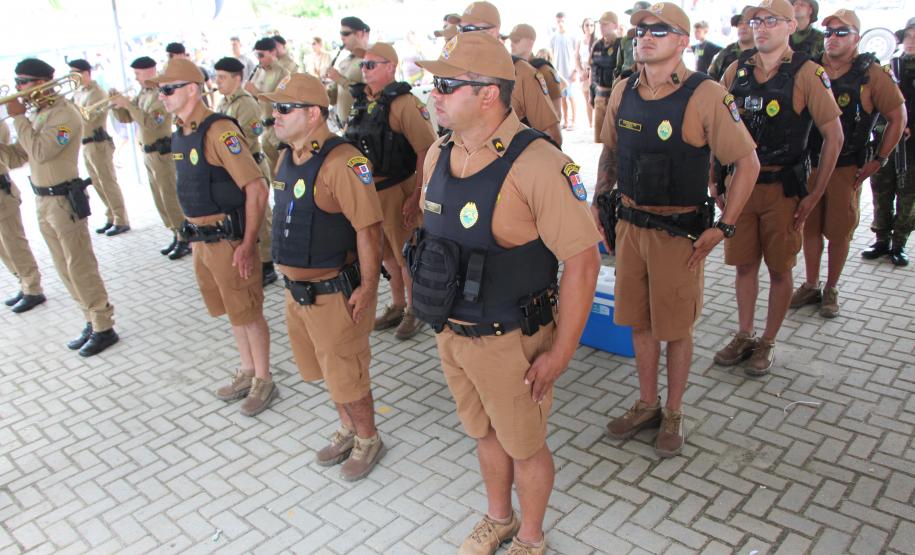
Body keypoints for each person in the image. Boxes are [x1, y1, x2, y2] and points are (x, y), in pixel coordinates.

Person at [414, 30, 601, 555]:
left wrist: (561, 352)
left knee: (525, 446)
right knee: (484, 433)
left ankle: (531, 538)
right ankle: (498, 518)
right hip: (452, 332)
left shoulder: (539, 164)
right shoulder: (438, 155)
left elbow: (583, 262)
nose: (435, 95)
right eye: (435, 84)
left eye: (447, 85)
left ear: (489, 94)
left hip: (511, 342)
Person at [594, 2, 758, 457]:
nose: (645, 36)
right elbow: (610, 151)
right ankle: (646, 404)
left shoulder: (705, 94)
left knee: (676, 327)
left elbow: (747, 163)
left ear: (683, 41)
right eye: (641, 29)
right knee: (640, 323)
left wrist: (725, 227)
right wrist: (597, 200)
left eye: (659, 30)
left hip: (679, 234)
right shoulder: (624, 89)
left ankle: (675, 410)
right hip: (629, 227)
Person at [262, 73, 387, 480]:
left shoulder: (343, 162)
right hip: (297, 294)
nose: (274, 116)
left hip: (335, 293)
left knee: (348, 371)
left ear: (313, 113)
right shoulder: (287, 157)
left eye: (283, 108)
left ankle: (368, 438)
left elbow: (369, 230)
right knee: (326, 370)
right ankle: (348, 428)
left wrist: (369, 289)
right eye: (274, 108)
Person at [715, 0, 843, 375]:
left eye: (771, 20)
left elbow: (833, 137)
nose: (761, 27)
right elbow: (716, 127)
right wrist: (714, 178)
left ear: (791, 26)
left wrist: (815, 193)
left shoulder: (808, 73)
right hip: (740, 185)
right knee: (743, 266)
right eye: (755, 20)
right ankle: (745, 333)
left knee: (780, 270)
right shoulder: (735, 71)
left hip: (783, 190)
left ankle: (767, 341)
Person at [151, 58, 276, 416]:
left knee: (248, 311)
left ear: (192, 89)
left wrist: (250, 244)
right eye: (160, 90)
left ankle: (264, 379)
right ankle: (248, 370)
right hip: (203, 242)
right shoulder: (180, 131)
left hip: (229, 240)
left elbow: (256, 188)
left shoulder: (219, 131)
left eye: (168, 89)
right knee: (232, 312)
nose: (162, 96)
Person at [791, 9, 906, 317]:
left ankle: (831, 289)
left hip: (846, 169)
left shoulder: (871, 74)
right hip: (810, 165)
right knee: (809, 227)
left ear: (856, 37)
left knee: (839, 232)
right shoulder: (810, 68)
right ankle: (811, 284)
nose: (833, 38)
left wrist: (880, 159)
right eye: (828, 33)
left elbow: (898, 116)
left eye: (841, 32)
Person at [0, 58, 118, 355]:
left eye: (22, 82)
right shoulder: (41, 113)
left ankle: (104, 324)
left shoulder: (64, 113)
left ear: (40, 83)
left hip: (63, 201)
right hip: (43, 199)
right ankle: (90, 319)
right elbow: (20, 156)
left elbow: (41, 151)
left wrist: (17, 119)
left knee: (80, 265)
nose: (17, 90)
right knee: (63, 267)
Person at [343, 43, 437, 340]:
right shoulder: (360, 100)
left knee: (407, 254)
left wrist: (417, 196)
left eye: (372, 65)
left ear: (390, 67)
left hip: (398, 190)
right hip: (370, 193)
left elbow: (426, 150)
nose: (365, 70)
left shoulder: (405, 103)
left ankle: (415, 309)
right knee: (385, 254)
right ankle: (397, 304)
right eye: (363, 65)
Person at [112, 56, 190, 259]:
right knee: (159, 198)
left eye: (138, 73)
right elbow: (128, 118)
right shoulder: (144, 93)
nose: (136, 78)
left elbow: (151, 122)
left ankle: (185, 237)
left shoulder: (161, 93)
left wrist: (128, 105)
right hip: (148, 152)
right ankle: (175, 232)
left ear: (150, 71)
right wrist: (117, 106)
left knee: (170, 197)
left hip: (162, 153)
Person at [458, 1, 562, 146]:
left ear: (492, 32)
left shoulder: (521, 73)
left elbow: (552, 136)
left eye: (469, 29)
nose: (462, 36)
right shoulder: (458, 73)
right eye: (461, 29)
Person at [214, 56, 278, 285]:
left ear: (237, 78)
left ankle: (268, 262)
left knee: (259, 215)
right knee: (245, 214)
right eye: (217, 76)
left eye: (222, 77)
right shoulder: (224, 103)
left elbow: (248, 135)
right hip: (235, 168)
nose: (217, 81)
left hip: (251, 164)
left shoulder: (246, 103)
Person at [864, 17, 915, 266]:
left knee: (908, 195)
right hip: (887, 142)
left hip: (912, 149)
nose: (911, 41)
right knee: (881, 190)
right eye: (908, 36)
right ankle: (881, 239)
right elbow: (877, 104)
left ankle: (899, 243)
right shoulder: (890, 66)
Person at [68, 58, 130, 237]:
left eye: (76, 74)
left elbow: (89, 118)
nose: (73, 78)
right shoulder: (79, 92)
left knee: (108, 182)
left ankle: (121, 219)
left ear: (86, 73)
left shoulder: (97, 93)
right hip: (86, 144)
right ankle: (111, 215)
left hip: (98, 143)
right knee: (97, 183)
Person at [0, 120, 45, 314]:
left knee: (14, 242)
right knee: (3, 247)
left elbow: (10, 155)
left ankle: (33, 288)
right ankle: (23, 281)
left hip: (2, 194)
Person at [244, 38, 291, 175]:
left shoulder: (283, 73)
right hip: (264, 129)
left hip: (279, 129)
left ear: (272, 52)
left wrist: (257, 93)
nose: (259, 59)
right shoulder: (258, 72)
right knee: (272, 173)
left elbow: (284, 103)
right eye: (257, 55)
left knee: (284, 171)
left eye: (261, 55)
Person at [508, 24, 562, 117]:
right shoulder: (509, 68)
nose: (511, 43)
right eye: (511, 40)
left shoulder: (544, 70)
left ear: (530, 42)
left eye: (516, 40)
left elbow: (556, 111)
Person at [326, 16, 370, 129]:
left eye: (346, 33)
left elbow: (369, 92)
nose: (342, 37)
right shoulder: (345, 61)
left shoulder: (370, 59)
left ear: (360, 34)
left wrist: (339, 78)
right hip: (345, 126)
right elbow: (335, 97)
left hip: (362, 124)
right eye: (340, 33)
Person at [591, 11, 623, 143]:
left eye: (605, 24)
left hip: (614, 95)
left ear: (615, 25)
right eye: (600, 24)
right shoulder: (597, 45)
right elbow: (592, 70)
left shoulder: (621, 44)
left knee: (615, 137)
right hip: (599, 95)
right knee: (601, 138)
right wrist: (591, 94)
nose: (601, 27)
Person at [708, 10, 755, 81]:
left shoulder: (764, 54)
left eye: (748, 23)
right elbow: (711, 79)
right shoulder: (724, 54)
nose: (743, 27)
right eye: (740, 23)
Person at [550, 12, 579, 129]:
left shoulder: (572, 36)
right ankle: (565, 120)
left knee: (571, 96)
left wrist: (575, 71)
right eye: (558, 21)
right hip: (559, 73)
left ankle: (574, 121)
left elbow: (577, 55)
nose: (560, 23)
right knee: (562, 97)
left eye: (562, 21)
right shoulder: (553, 38)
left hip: (570, 71)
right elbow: (552, 55)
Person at [618, 2, 652, 78]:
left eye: (642, 19)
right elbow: (619, 66)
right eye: (634, 17)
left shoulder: (655, 40)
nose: (636, 22)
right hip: (626, 82)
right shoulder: (625, 40)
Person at [576, 18, 597, 129]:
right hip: (583, 74)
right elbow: (576, 59)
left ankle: (598, 123)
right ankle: (590, 124)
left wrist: (590, 71)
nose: (589, 27)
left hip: (594, 73)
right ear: (583, 27)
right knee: (587, 99)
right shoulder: (580, 41)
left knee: (596, 99)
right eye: (587, 25)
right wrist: (580, 72)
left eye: (591, 25)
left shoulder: (598, 40)